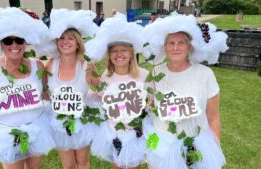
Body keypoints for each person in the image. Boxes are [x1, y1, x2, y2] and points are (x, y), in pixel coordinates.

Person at [0, 7, 55, 169]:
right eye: (8, 41)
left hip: (37, 127)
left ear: (26, 41)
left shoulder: (37, 64)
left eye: (19, 40)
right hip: (7, 133)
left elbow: (45, 93)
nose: (14, 45)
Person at [143, 14, 228, 169]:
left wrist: (214, 147)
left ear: (190, 46)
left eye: (181, 43)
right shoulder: (155, 72)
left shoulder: (205, 74)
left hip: (194, 144)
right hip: (161, 144)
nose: (176, 47)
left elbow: (214, 117)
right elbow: (151, 103)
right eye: (171, 43)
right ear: (164, 47)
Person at [85, 14, 149, 169]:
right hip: (114, 132)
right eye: (114, 51)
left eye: (123, 50)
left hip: (135, 133)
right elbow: (103, 98)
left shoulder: (144, 75)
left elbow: (151, 102)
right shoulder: (106, 77)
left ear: (132, 53)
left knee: (134, 165)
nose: (119, 54)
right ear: (109, 55)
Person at [43, 9, 100, 169]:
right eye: (61, 38)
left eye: (70, 38)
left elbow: (103, 88)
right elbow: (43, 92)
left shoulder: (87, 66)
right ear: (56, 42)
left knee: (82, 162)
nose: (65, 41)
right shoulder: (50, 64)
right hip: (59, 123)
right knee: (68, 165)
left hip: (82, 121)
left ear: (77, 43)